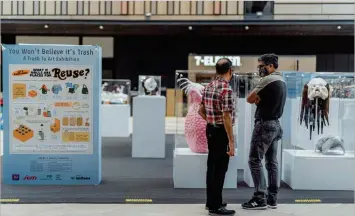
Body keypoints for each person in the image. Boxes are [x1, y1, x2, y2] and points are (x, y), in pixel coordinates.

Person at [242, 53, 286, 210]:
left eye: (262, 66)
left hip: (264, 125)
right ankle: (272, 199)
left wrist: (257, 99)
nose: (260, 69)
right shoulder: (282, 80)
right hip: (275, 125)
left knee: (254, 160)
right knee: (271, 162)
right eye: (259, 66)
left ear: (272, 66)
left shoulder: (267, 80)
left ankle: (259, 197)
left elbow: (249, 98)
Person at [198, 58, 236, 215]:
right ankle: (216, 206)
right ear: (230, 71)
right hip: (221, 132)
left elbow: (201, 110)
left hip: (210, 130)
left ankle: (211, 201)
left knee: (211, 166)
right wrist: (231, 141)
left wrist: (211, 121)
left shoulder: (208, 86)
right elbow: (227, 117)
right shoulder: (226, 89)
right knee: (221, 168)